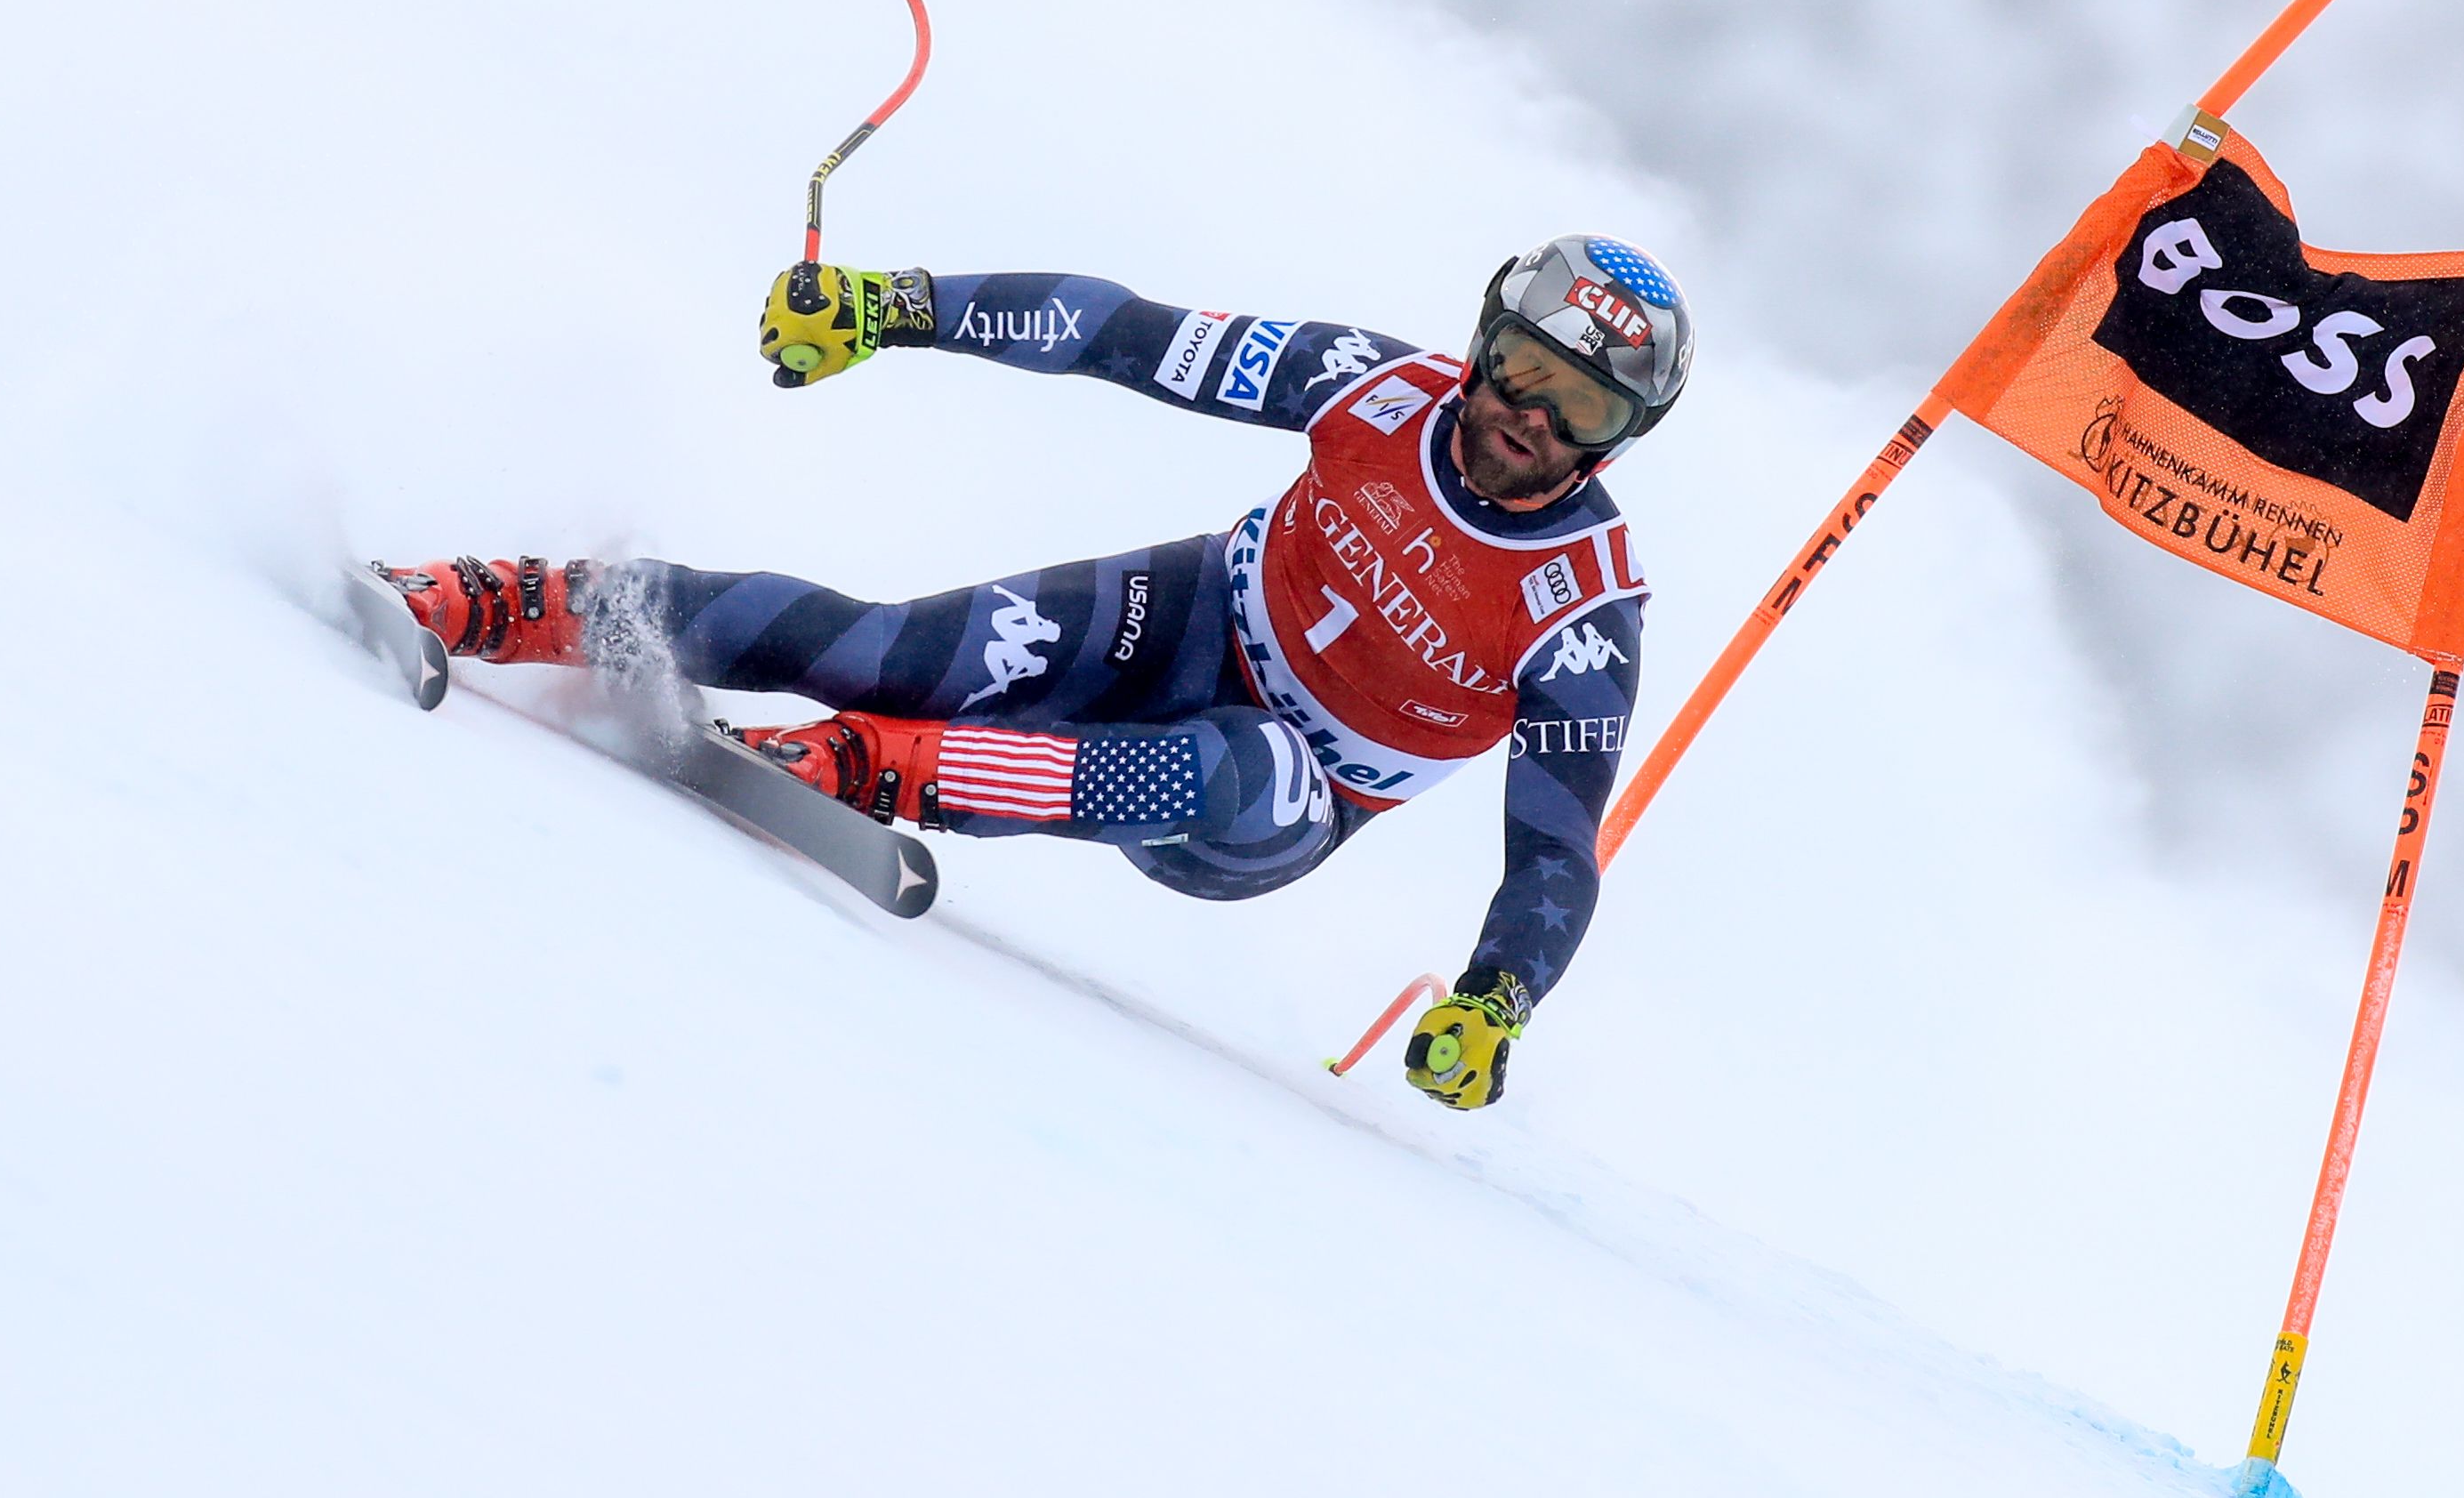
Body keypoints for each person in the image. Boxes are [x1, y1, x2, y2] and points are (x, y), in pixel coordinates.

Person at [377, 237, 1691, 1108]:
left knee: (1248, 761)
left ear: (1617, 440)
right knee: (885, 649)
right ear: (1481, 340)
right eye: (1521, 369)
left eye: (1578, 407)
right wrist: (896, 309)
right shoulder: (1373, 388)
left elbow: (1555, 849)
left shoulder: (1580, 607)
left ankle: (867, 769)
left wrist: (1497, 1000)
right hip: (1193, 616)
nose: (1528, 416)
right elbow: (1124, 331)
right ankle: (513, 601)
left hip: (1280, 798)